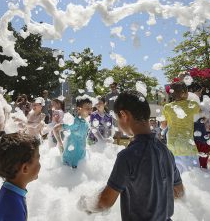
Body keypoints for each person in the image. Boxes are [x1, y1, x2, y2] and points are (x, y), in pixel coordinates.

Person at [77, 90, 184, 220]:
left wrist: (85, 204)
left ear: (123, 115)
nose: (119, 126)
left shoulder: (127, 156)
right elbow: (179, 192)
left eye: (118, 119)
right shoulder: (165, 151)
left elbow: (104, 202)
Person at [0, 133, 41, 221]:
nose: (40, 165)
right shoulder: (14, 208)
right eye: (38, 160)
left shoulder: (8, 192)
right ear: (25, 168)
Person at [161, 82, 200, 173]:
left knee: (176, 176)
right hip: (187, 145)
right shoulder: (193, 105)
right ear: (186, 93)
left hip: (172, 145)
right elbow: (202, 112)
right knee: (193, 176)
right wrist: (196, 96)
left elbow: (163, 126)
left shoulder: (167, 107)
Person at [54, 96, 92, 168]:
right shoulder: (74, 123)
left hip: (81, 158)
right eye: (87, 108)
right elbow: (55, 129)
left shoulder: (85, 122)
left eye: (91, 108)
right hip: (70, 159)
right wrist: (60, 143)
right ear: (78, 109)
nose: (90, 111)